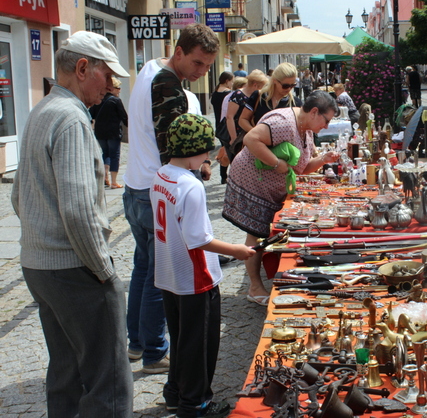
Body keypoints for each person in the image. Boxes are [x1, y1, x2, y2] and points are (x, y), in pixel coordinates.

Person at [11, 31, 133, 417]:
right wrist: (103, 271)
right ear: (83, 69)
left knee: (65, 371)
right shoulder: (72, 119)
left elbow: (18, 197)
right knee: (107, 380)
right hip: (73, 267)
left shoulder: (42, 110)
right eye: (107, 75)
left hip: (40, 264)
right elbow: (79, 212)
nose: (112, 86)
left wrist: (41, 236)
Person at [123, 23, 220, 375]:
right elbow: (175, 148)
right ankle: (153, 351)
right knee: (158, 275)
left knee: (142, 266)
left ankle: (136, 342)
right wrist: (202, 166)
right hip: (155, 191)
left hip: (136, 185)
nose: (202, 72)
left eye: (208, 66)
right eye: (198, 63)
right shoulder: (170, 89)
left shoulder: (149, 68)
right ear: (178, 52)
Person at [151, 113, 255, 417]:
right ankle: (195, 403)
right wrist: (236, 250)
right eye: (206, 150)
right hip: (196, 277)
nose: (210, 155)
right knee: (200, 344)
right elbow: (198, 239)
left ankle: (175, 392)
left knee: (181, 336)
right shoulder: (191, 186)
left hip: (169, 272)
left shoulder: (161, 175)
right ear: (193, 151)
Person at [222, 90, 341, 305]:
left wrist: (323, 159)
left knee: (263, 231)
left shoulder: (305, 127)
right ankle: (255, 286)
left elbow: (302, 168)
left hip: (270, 186)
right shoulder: (283, 122)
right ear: (314, 112)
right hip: (252, 182)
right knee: (256, 231)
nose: (326, 127)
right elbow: (251, 138)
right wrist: (277, 164)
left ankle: (266, 277)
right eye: (326, 120)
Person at [239, 62, 303, 132]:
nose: (289, 89)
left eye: (293, 85)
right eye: (285, 86)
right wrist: (256, 134)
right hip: (257, 141)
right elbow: (243, 120)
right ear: (274, 80)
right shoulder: (259, 96)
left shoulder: (296, 103)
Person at [223, 70, 267, 163]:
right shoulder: (238, 95)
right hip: (239, 134)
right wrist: (233, 138)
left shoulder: (257, 96)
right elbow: (229, 117)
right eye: (262, 87)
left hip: (249, 133)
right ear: (255, 85)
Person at [91, 75, 128, 188]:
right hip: (113, 132)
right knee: (114, 155)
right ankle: (114, 182)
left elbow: (92, 114)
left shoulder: (99, 99)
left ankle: (105, 177)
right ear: (111, 88)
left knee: (105, 154)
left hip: (100, 132)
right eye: (118, 88)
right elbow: (124, 117)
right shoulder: (116, 101)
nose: (120, 90)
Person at [211, 71, 235, 183]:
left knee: (223, 149)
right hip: (227, 125)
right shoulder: (228, 94)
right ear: (227, 81)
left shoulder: (215, 93)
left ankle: (223, 176)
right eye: (231, 81)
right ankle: (232, 175)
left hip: (218, 125)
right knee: (230, 151)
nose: (232, 83)